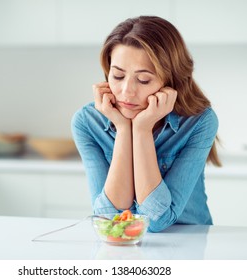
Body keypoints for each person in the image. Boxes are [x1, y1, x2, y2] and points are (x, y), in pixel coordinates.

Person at [71, 16, 221, 232]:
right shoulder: (87, 122)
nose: (126, 92)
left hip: (191, 243)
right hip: (124, 251)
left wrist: (141, 130)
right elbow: (109, 220)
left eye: (143, 80)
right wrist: (123, 129)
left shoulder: (200, 122)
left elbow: (157, 220)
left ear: (170, 81)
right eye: (118, 76)